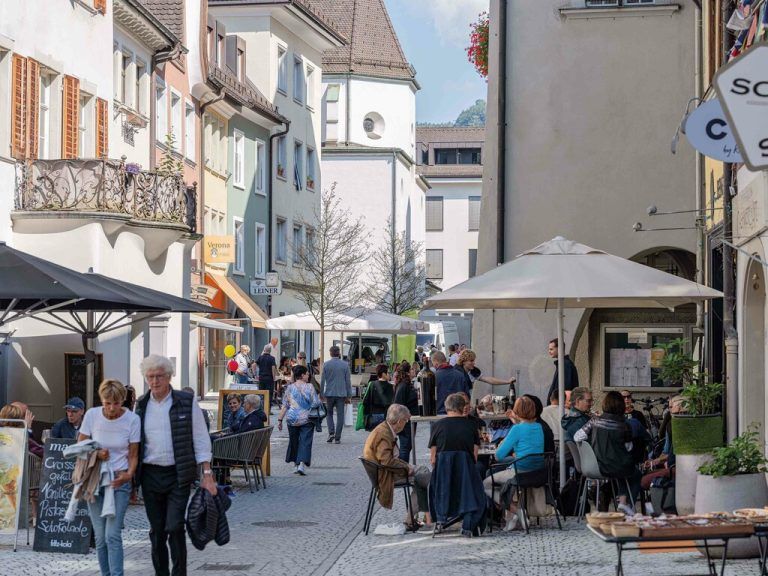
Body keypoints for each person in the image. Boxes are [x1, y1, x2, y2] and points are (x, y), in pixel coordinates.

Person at [134, 354, 215, 576]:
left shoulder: (186, 402)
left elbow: (200, 437)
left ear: (169, 377)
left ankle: (180, 573)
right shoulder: (141, 404)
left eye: (159, 376)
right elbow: (134, 442)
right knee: (157, 531)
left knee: (174, 526)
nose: (154, 381)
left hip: (178, 474)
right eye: (150, 377)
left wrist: (206, 473)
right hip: (150, 475)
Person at [78, 379, 140, 576]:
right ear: (101, 400)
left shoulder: (132, 420)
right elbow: (80, 448)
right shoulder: (92, 415)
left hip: (119, 481)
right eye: (107, 403)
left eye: (116, 403)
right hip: (95, 480)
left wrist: (129, 474)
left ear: (122, 400)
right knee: (100, 536)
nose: (112, 408)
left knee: (112, 535)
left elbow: (133, 454)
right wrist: (96, 454)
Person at [363, 404, 431, 530]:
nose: (405, 424)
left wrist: (406, 466)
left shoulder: (384, 428)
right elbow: (386, 461)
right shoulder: (383, 434)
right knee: (422, 476)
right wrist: (406, 467)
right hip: (386, 475)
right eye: (405, 421)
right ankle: (422, 517)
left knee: (422, 474)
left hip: (385, 471)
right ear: (399, 421)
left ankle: (417, 518)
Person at [483, 396, 545, 531]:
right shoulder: (538, 427)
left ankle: (516, 510)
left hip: (521, 471)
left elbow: (498, 456)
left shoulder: (516, 429)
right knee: (504, 469)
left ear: (516, 411)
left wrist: (502, 444)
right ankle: (511, 516)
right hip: (538, 470)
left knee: (487, 483)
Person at [574, 391, 641, 515]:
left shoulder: (594, 421)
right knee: (634, 473)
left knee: (622, 469)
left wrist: (588, 446)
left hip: (595, 467)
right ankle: (625, 503)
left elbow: (577, 437)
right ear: (621, 406)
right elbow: (628, 447)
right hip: (618, 467)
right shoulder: (625, 426)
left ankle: (622, 502)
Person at [428, 393, 483, 537]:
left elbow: (433, 459)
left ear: (447, 408)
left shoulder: (437, 426)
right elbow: (474, 456)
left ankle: (440, 520)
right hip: (466, 478)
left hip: (443, 479)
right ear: (462, 407)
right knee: (477, 487)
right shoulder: (471, 425)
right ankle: (468, 524)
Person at [278, 364, 319, 475]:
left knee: (294, 441)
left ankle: (296, 465)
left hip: (292, 419)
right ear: (302, 375)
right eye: (306, 373)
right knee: (305, 442)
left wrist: (280, 419)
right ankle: (301, 464)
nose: (308, 375)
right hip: (307, 418)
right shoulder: (310, 387)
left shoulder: (290, 388)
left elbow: (285, 405)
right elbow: (316, 402)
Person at [641, 395, 683, 492]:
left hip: (678, 469)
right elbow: (666, 451)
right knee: (644, 475)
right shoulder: (670, 425)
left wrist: (657, 461)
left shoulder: (684, 426)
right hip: (670, 466)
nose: (670, 410)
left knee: (644, 480)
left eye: (672, 407)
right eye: (669, 407)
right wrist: (654, 461)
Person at [321, 345, 352, 444]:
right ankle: (337, 437)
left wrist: (321, 393)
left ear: (330, 353)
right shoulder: (345, 365)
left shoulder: (326, 364)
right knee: (340, 415)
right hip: (341, 394)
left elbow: (322, 381)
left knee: (329, 414)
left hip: (329, 393)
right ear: (339, 353)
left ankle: (331, 433)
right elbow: (348, 381)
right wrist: (349, 395)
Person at [394, 362, 419, 462]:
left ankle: (404, 469)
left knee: (407, 446)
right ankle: (402, 470)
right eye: (412, 369)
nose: (414, 371)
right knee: (405, 447)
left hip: (409, 420)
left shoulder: (407, 384)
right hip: (405, 422)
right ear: (408, 372)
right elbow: (398, 404)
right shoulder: (403, 385)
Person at [431, 350, 469, 415]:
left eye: (433, 364)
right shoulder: (460, 375)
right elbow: (467, 396)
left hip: (439, 416)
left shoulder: (433, 377)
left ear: (436, 363)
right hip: (458, 414)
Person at [545, 338, 580, 406]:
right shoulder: (563, 364)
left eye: (551, 349)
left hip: (561, 406)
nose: (549, 351)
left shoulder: (565, 365)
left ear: (559, 348)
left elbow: (566, 387)